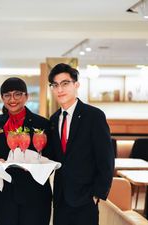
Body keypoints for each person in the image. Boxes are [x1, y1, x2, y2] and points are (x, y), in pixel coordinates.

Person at [48, 63, 114, 225]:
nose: (60, 89)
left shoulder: (94, 116)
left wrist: (97, 194)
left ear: (76, 85)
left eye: (65, 83)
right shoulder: (54, 119)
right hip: (61, 197)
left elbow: (106, 158)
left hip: (86, 198)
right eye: (55, 85)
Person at [0, 77, 52, 225]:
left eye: (17, 94)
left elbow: (50, 158)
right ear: (2, 98)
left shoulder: (42, 124)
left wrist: (36, 165)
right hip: (4, 193)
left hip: (35, 194)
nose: (12, 99)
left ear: (26, 96)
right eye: (7, 95)